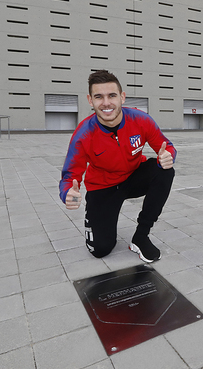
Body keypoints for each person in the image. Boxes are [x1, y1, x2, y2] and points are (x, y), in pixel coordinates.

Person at [59, 70, 176, 262]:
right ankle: (99, 220)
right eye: (99, 97)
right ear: (90, 100)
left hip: (132, 178)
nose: (106, 103)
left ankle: (141, 236)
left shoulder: (140, 120)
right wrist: (67, 193)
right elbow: (70, 174)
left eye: (112, 95)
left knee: (163, 171)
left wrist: (168, 156)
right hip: (103, 187)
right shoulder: (83, 135)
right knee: (100, 249)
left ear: (122, 97)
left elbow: (167, 147)